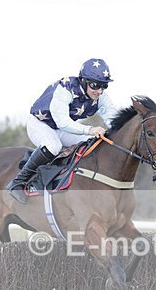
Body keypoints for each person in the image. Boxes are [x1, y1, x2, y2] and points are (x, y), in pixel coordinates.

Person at [7, 58, 118, 203]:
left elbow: (113, 119)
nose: (99, 91)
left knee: (92, 143)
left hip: (60, 129)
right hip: (40, 124)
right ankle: (18, 182)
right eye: (95, 85)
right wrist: (89, 129)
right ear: (83, 81)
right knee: (54, 146)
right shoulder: (66, 88)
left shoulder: (101, 97)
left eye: (104, 86)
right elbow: (63, 122)